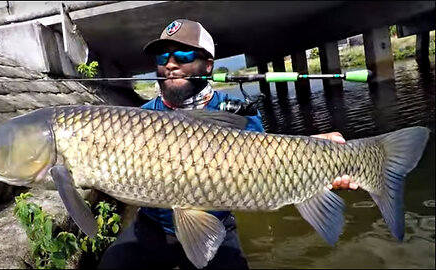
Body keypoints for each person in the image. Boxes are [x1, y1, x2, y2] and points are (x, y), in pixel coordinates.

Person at [98, 19, 357, 269]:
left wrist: (317, 155)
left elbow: (267, 160)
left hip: (213, 222)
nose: (171, 65)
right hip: (152, 225)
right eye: (162, 58)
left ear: (208, 66)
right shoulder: (140, 117)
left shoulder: (238, 113)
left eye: (183, 56)